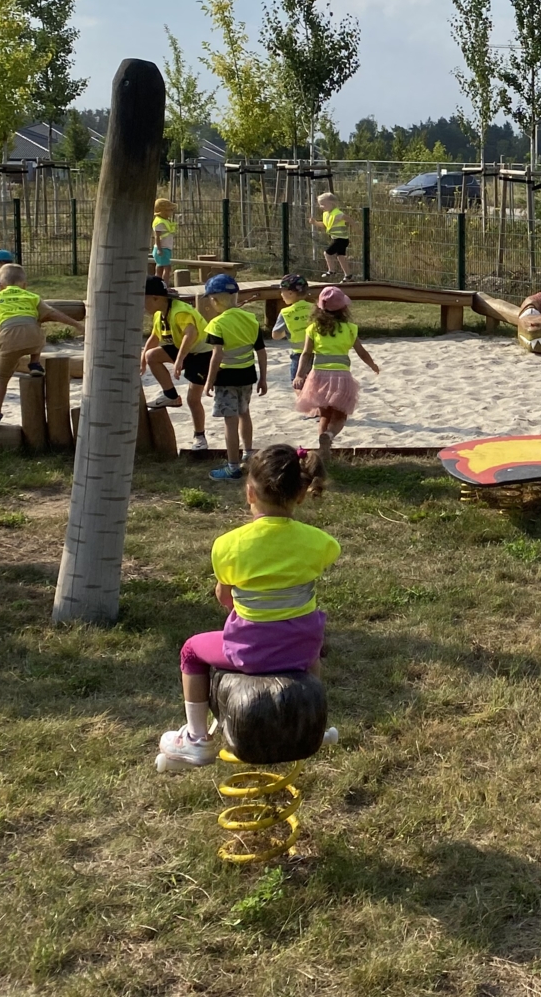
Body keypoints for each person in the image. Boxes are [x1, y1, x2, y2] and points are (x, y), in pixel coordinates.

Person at [156, 445, 338, 769]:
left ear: (249, 493)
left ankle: (197, 739)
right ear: (300, 495)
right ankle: (314, 725)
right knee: (311, 644)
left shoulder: (228, 546)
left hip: (250, 653)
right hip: (301, 648)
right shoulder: (321, 543)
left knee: (191, 651)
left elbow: (225, 597)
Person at [294, 286, 381, 454]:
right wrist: (373, 365)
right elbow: (361, 351)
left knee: (324, 415)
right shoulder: (349, 328)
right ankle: (330, 434)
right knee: (340, 415)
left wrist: (299, 374)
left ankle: (323, 448)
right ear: (343, 308)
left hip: (318, 376)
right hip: (341, 377)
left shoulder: (313, 328)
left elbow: (306, 354)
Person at [201, 272, 267, 480]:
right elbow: (261, 352)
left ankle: (232, 466)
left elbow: (216, 356)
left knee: (230, 421)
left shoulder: (217, 324)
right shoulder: (251, 319)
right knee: (244, 414)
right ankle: (248, 453)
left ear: (214, 300)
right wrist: (263, 378)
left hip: (227, 378)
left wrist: (209, 381)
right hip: (248, 375)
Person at [142, 276, 210, 450]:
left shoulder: (179, 311)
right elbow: (155, 337)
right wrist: (142, 359)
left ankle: (200, 436)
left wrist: (179, 360)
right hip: (184, 349)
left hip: (203, 353)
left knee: (193, 399)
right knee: (151, 356)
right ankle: (171, 396)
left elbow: (191, 333)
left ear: (156, 298)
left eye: (144, 299)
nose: (142, 304)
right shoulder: (159, 313)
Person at [0, 263, 51, 427]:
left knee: (1, 379)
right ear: (25, 285)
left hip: (9, 342)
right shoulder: (31, 297)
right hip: (34, 340)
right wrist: (77, 325)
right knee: (36, 326)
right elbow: (49, 314)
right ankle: (35, 363)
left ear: (1, 285)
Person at [272, 274, 316, 384]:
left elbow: (276, 335)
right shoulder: (315, 308)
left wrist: (287, 332)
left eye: (282, 291)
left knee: (297, 382)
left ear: (290, 293)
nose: (281, 294)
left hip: (299, 353)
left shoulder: (286, 313)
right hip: (318, 352)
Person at [314, 192, 349, 280]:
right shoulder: (326, 214)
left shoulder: (337, 213)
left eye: (323, 204)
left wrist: (356, 227)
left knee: (327, 253)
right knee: (341, 256)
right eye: (320, 205)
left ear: (331, 203)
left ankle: (331, 270)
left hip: (341, 239)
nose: (321, 206)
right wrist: (315, 223)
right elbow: (324, 225)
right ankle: (348, 275)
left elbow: (348, 218)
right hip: (336, 238)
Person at [151, 198, 176, 277]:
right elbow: (157, 237)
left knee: (160, 267)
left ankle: (160, 286)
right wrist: (159, 249)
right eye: (170, 210)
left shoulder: (165, 220)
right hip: (162, 248)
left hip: (166, 248)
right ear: (163, 211)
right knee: (166, 268)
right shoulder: (159, 222)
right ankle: (165, 287)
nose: (172, 211)